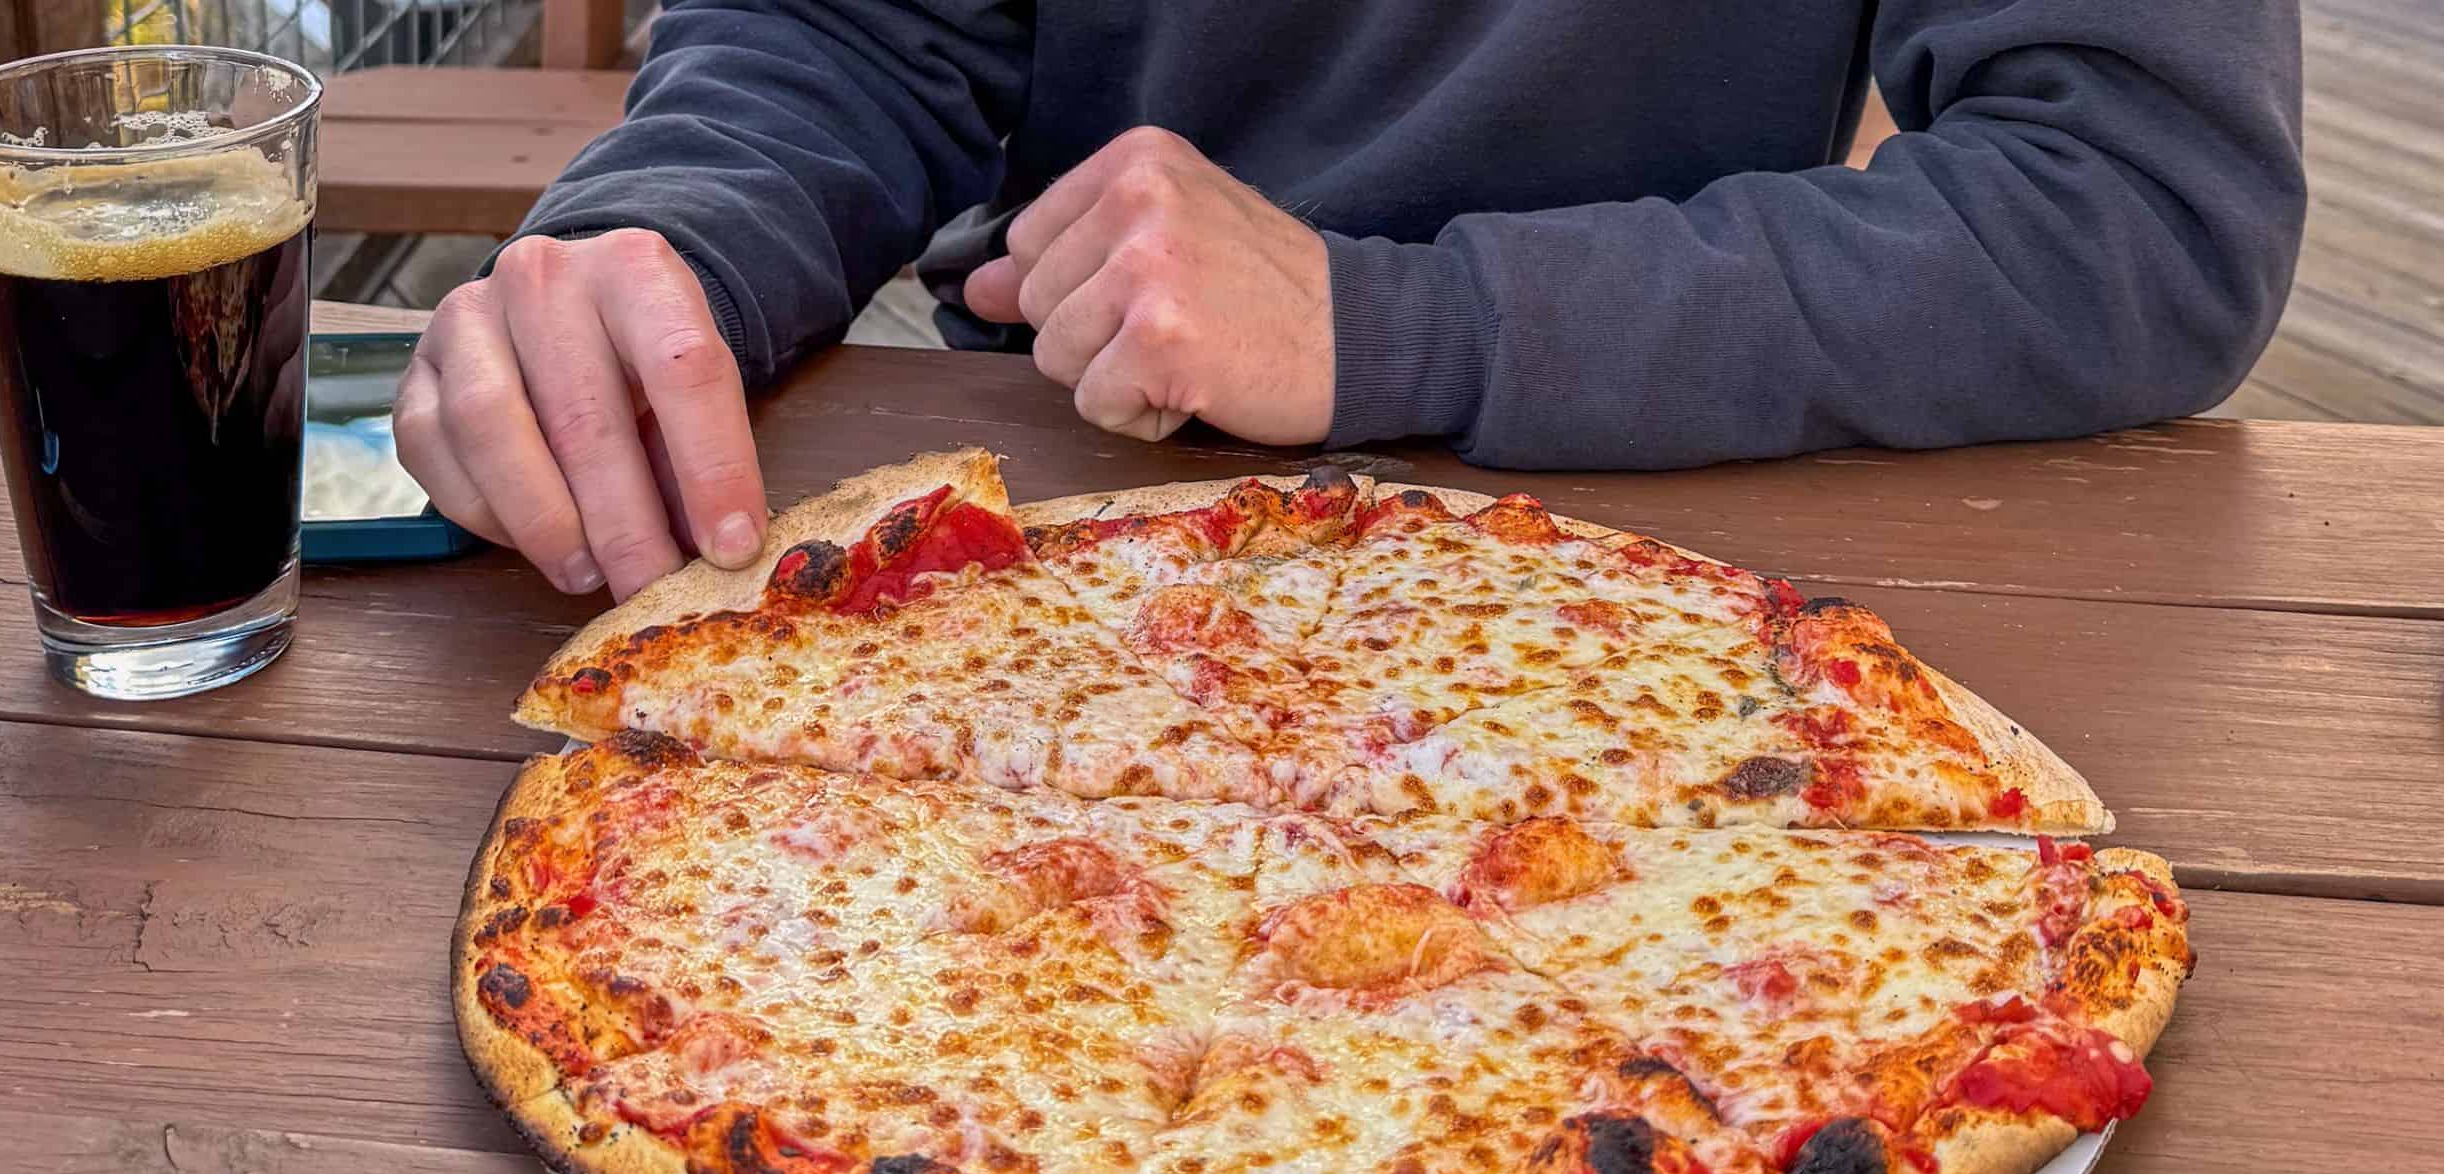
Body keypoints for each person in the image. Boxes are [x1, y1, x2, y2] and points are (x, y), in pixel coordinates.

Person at [392, 1, 2306, 602]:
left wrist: (1395, 319)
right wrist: (668, 244)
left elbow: (2143, 197)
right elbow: (847, 31)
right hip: (1036, 566)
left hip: (1705, 558)